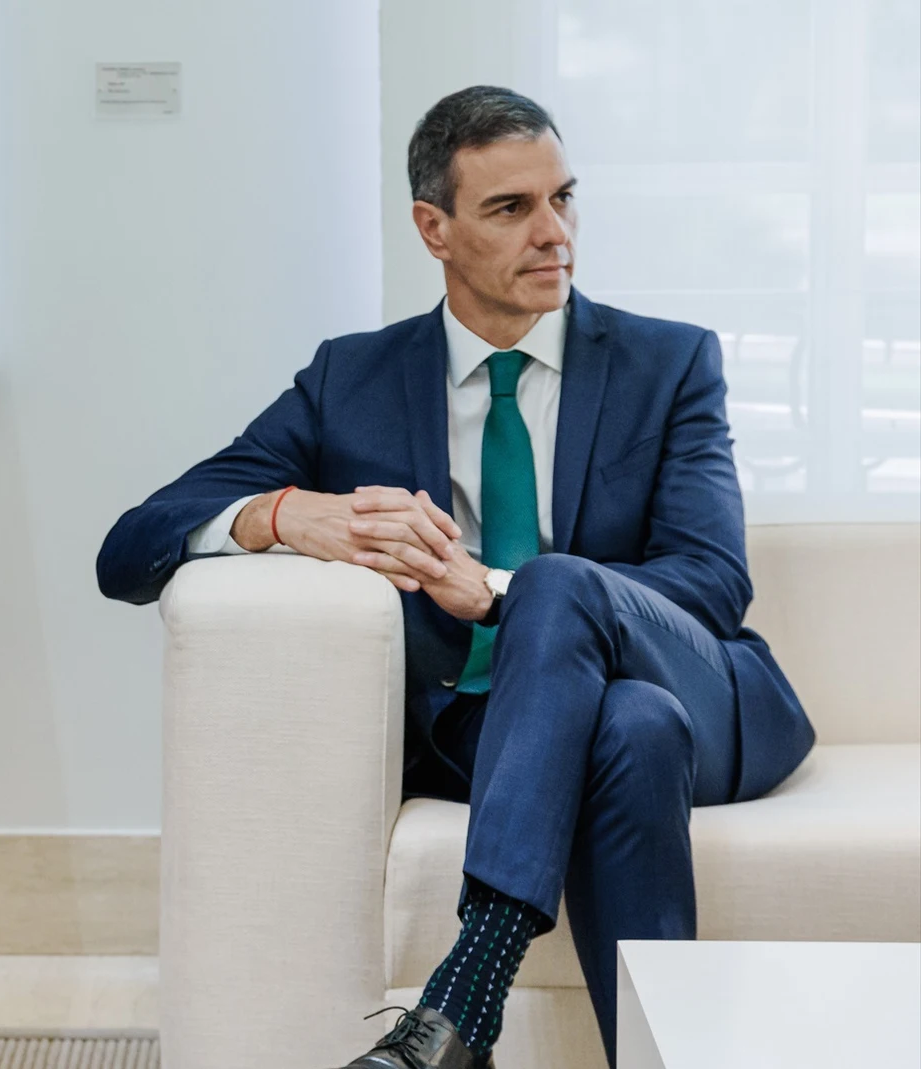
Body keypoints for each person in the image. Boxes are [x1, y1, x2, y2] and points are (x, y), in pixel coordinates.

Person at [97, 86, 811, 1069]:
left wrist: (498, 593)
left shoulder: (668, 362)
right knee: (628, 728)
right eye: (512, 208)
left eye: (563, 198)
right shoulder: (351, 380)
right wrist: (283, 513)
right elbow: (129, 547)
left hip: (706, 693)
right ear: (433, 228)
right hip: (488, 728)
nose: (554, 232)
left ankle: (461, 1003)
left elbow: (712, 580)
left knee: (555, 588)